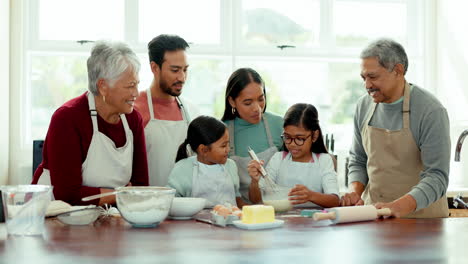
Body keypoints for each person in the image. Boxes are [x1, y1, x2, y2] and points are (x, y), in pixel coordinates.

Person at [341, 38, 450, 218]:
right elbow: (358, 160)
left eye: (373, 77)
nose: (367, 85)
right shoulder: (363, 106)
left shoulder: (430, 111)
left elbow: (437, 177)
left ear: (398, 70)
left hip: (423, 223)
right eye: (364, 77)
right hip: (375, 218)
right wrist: (354, 191)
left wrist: (398, 207)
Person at [32, 41, 149, 205]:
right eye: (130, 86)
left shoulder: (133, 120)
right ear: (103, 86)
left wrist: (119, 194)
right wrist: (120, 193)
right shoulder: (67, 118)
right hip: (52, 215)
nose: (136, 93)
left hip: (107, 216)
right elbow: (67, 194)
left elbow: (140, 187)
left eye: (137, 84)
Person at [134, 34, 199, 186]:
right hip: (147, 202)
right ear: (154, 67)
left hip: (186, 203)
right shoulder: (135, 110)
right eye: (175, 70)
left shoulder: (192, 111)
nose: (182, 77)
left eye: (185, 70)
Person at [247, 103, 340, 208]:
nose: (292, 144)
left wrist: (311, 196)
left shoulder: (323, 161)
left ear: (314, 136)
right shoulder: (278, 159)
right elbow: (256, 200)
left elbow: (335, 200)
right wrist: (254, 181)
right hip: (282, 221)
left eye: (299, 138)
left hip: (315, 221)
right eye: (287, 137)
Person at [221, 68, 283, 203]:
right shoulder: (221, 131)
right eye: (248, 103)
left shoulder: (279, 124)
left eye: (261, 99)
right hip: (242, 210)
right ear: (232, 101)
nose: (257, 108)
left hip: (278, 206)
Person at [167, 116, 244, 208]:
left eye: (228, 144)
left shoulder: (231, 166)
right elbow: (170, 201)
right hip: (194, 221)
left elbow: (236, 196)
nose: (228, 149)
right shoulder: (183, 169)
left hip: (228, 220)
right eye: (223, 146)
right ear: (203, 150)